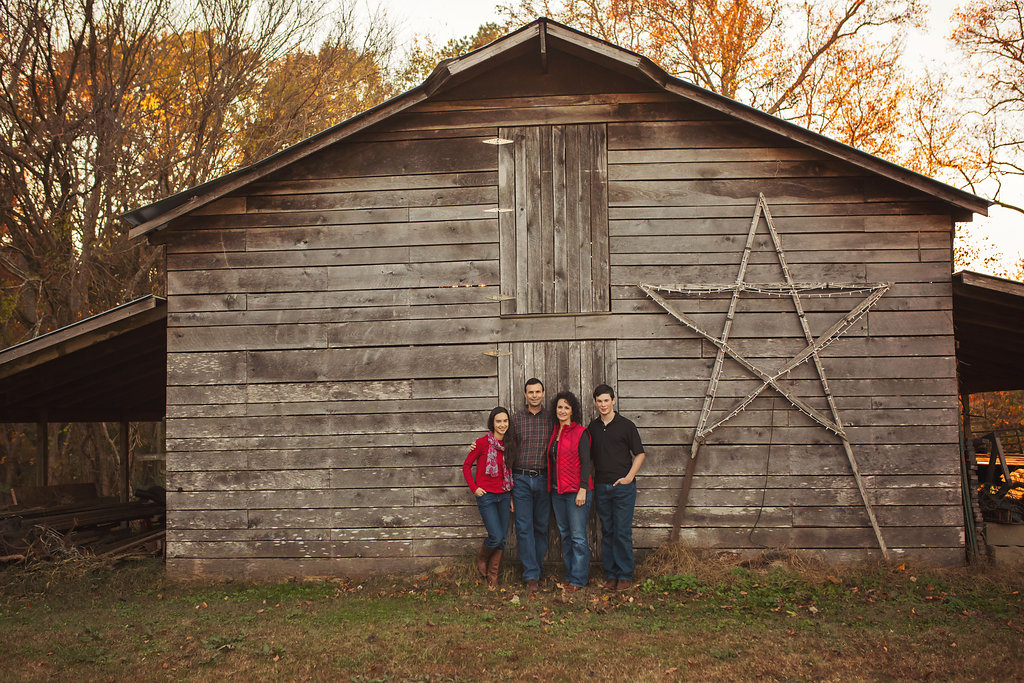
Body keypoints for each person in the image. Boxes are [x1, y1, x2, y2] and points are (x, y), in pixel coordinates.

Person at [588, 384, 645, 592]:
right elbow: (589, 459)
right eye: (599, 401)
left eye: (606, 400)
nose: (603, 404)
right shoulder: (592, 428)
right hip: (602, 486)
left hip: (623, 487)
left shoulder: (626, 425)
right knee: (608, 531)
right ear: (595, 403)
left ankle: (625, 574)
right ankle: (611, 574)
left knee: (622, 531)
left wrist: (629, 477)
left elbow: (639, 453)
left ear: (613, 400)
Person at [545, 391, 593, 590]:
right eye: (559, 407)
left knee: (578, 536)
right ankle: (571, 573)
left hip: (577, 491)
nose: (562, 411)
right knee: (565, 534)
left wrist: (582, 489)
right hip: (558, 492)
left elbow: (586, 463)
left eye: (566, 407)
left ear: (573, 410)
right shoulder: (554, 432)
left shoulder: (580, 432)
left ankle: (579, 579)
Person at [462, 406, 513, 588]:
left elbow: (510, 471)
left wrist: (512, 497)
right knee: (496, 536)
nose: (502, 424)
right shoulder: (482, 443)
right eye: (498, 421)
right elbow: (466, 466)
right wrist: (474, 488)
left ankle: (493, 576)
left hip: (504, 495)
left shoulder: (510, 444)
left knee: (502, 538)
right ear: (492, 423)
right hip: (487, 497)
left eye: (505, 421)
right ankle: (482, 558)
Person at [509, 378, 551, 592]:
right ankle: (531, 576)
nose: (534, 395)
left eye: (537, 391)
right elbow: (506, 451)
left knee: (541, 528)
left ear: (543, 393)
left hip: (544, 479)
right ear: (525, 395)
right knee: (524, 529)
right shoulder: (515, 420)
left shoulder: (552, 419)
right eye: (530, 392)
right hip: (521, 479)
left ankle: (537, 568)